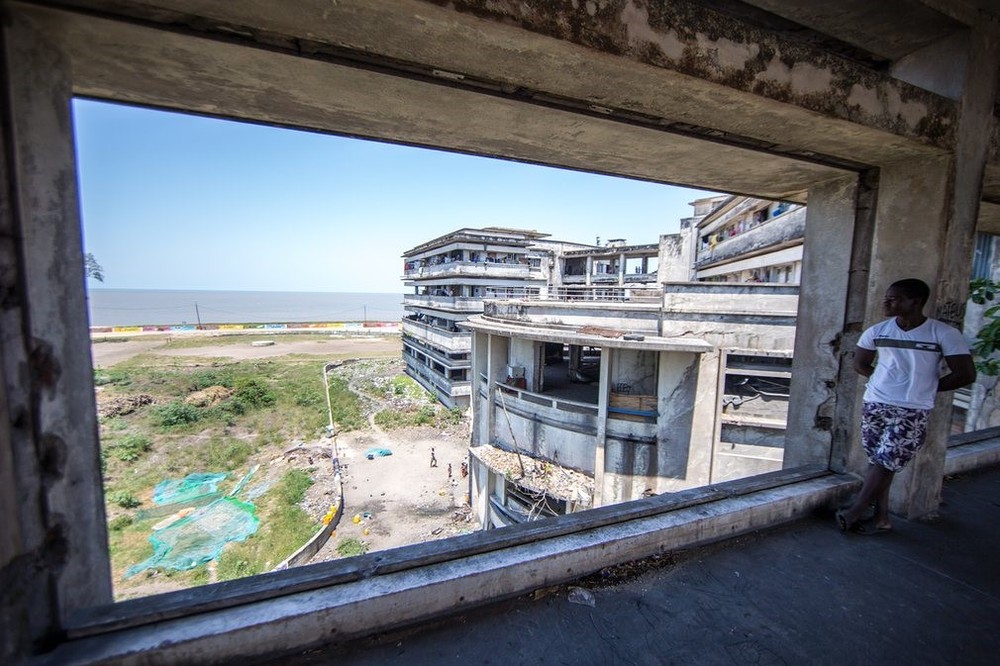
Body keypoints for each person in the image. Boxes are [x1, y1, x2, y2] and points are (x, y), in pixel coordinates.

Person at [837, 278, 976, 535]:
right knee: (879, 460)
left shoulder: (943, 333)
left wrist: (927, 387)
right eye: (887, 297)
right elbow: (860, 364)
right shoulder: (877, 331)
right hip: (876, 402)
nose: (887, 302)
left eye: (895, 298)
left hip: (912, 408)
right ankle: (881, 518)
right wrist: (885, 381)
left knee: (886, 460)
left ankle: (856, 509)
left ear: (916, 301)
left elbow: (965, 374)